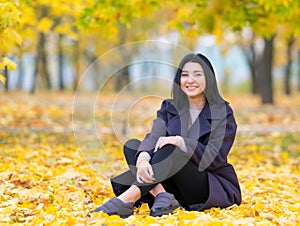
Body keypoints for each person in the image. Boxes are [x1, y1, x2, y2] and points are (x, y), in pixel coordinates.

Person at [87, 53, 241, 218]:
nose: (190, 80)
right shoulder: (170, 107)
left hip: (203, 185)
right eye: (184, 75)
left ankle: (127, 199)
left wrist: (180, 142)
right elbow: (154, 136)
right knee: (133, 146)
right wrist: (144, 158)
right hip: (172, 184)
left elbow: (214, 157)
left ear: (209, 78)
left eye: (197, 74)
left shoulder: (222, 112)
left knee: (171, 149)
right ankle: (162, 195)